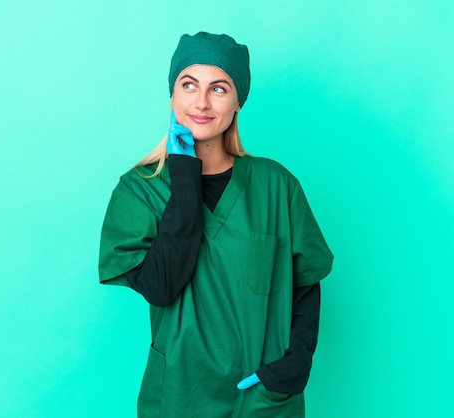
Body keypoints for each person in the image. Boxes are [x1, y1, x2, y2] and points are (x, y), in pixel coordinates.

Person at [98, 31, 334, 418]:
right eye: (188, 84)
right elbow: (161, 287)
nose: (202, 102)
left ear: (239, 100)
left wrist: (295, 364)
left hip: (260, 400)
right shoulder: (139, 191)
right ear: (172, 93)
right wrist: (185, 176)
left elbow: (305, 283)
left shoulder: (276, 186)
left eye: (219, 88)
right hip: (179, 394)